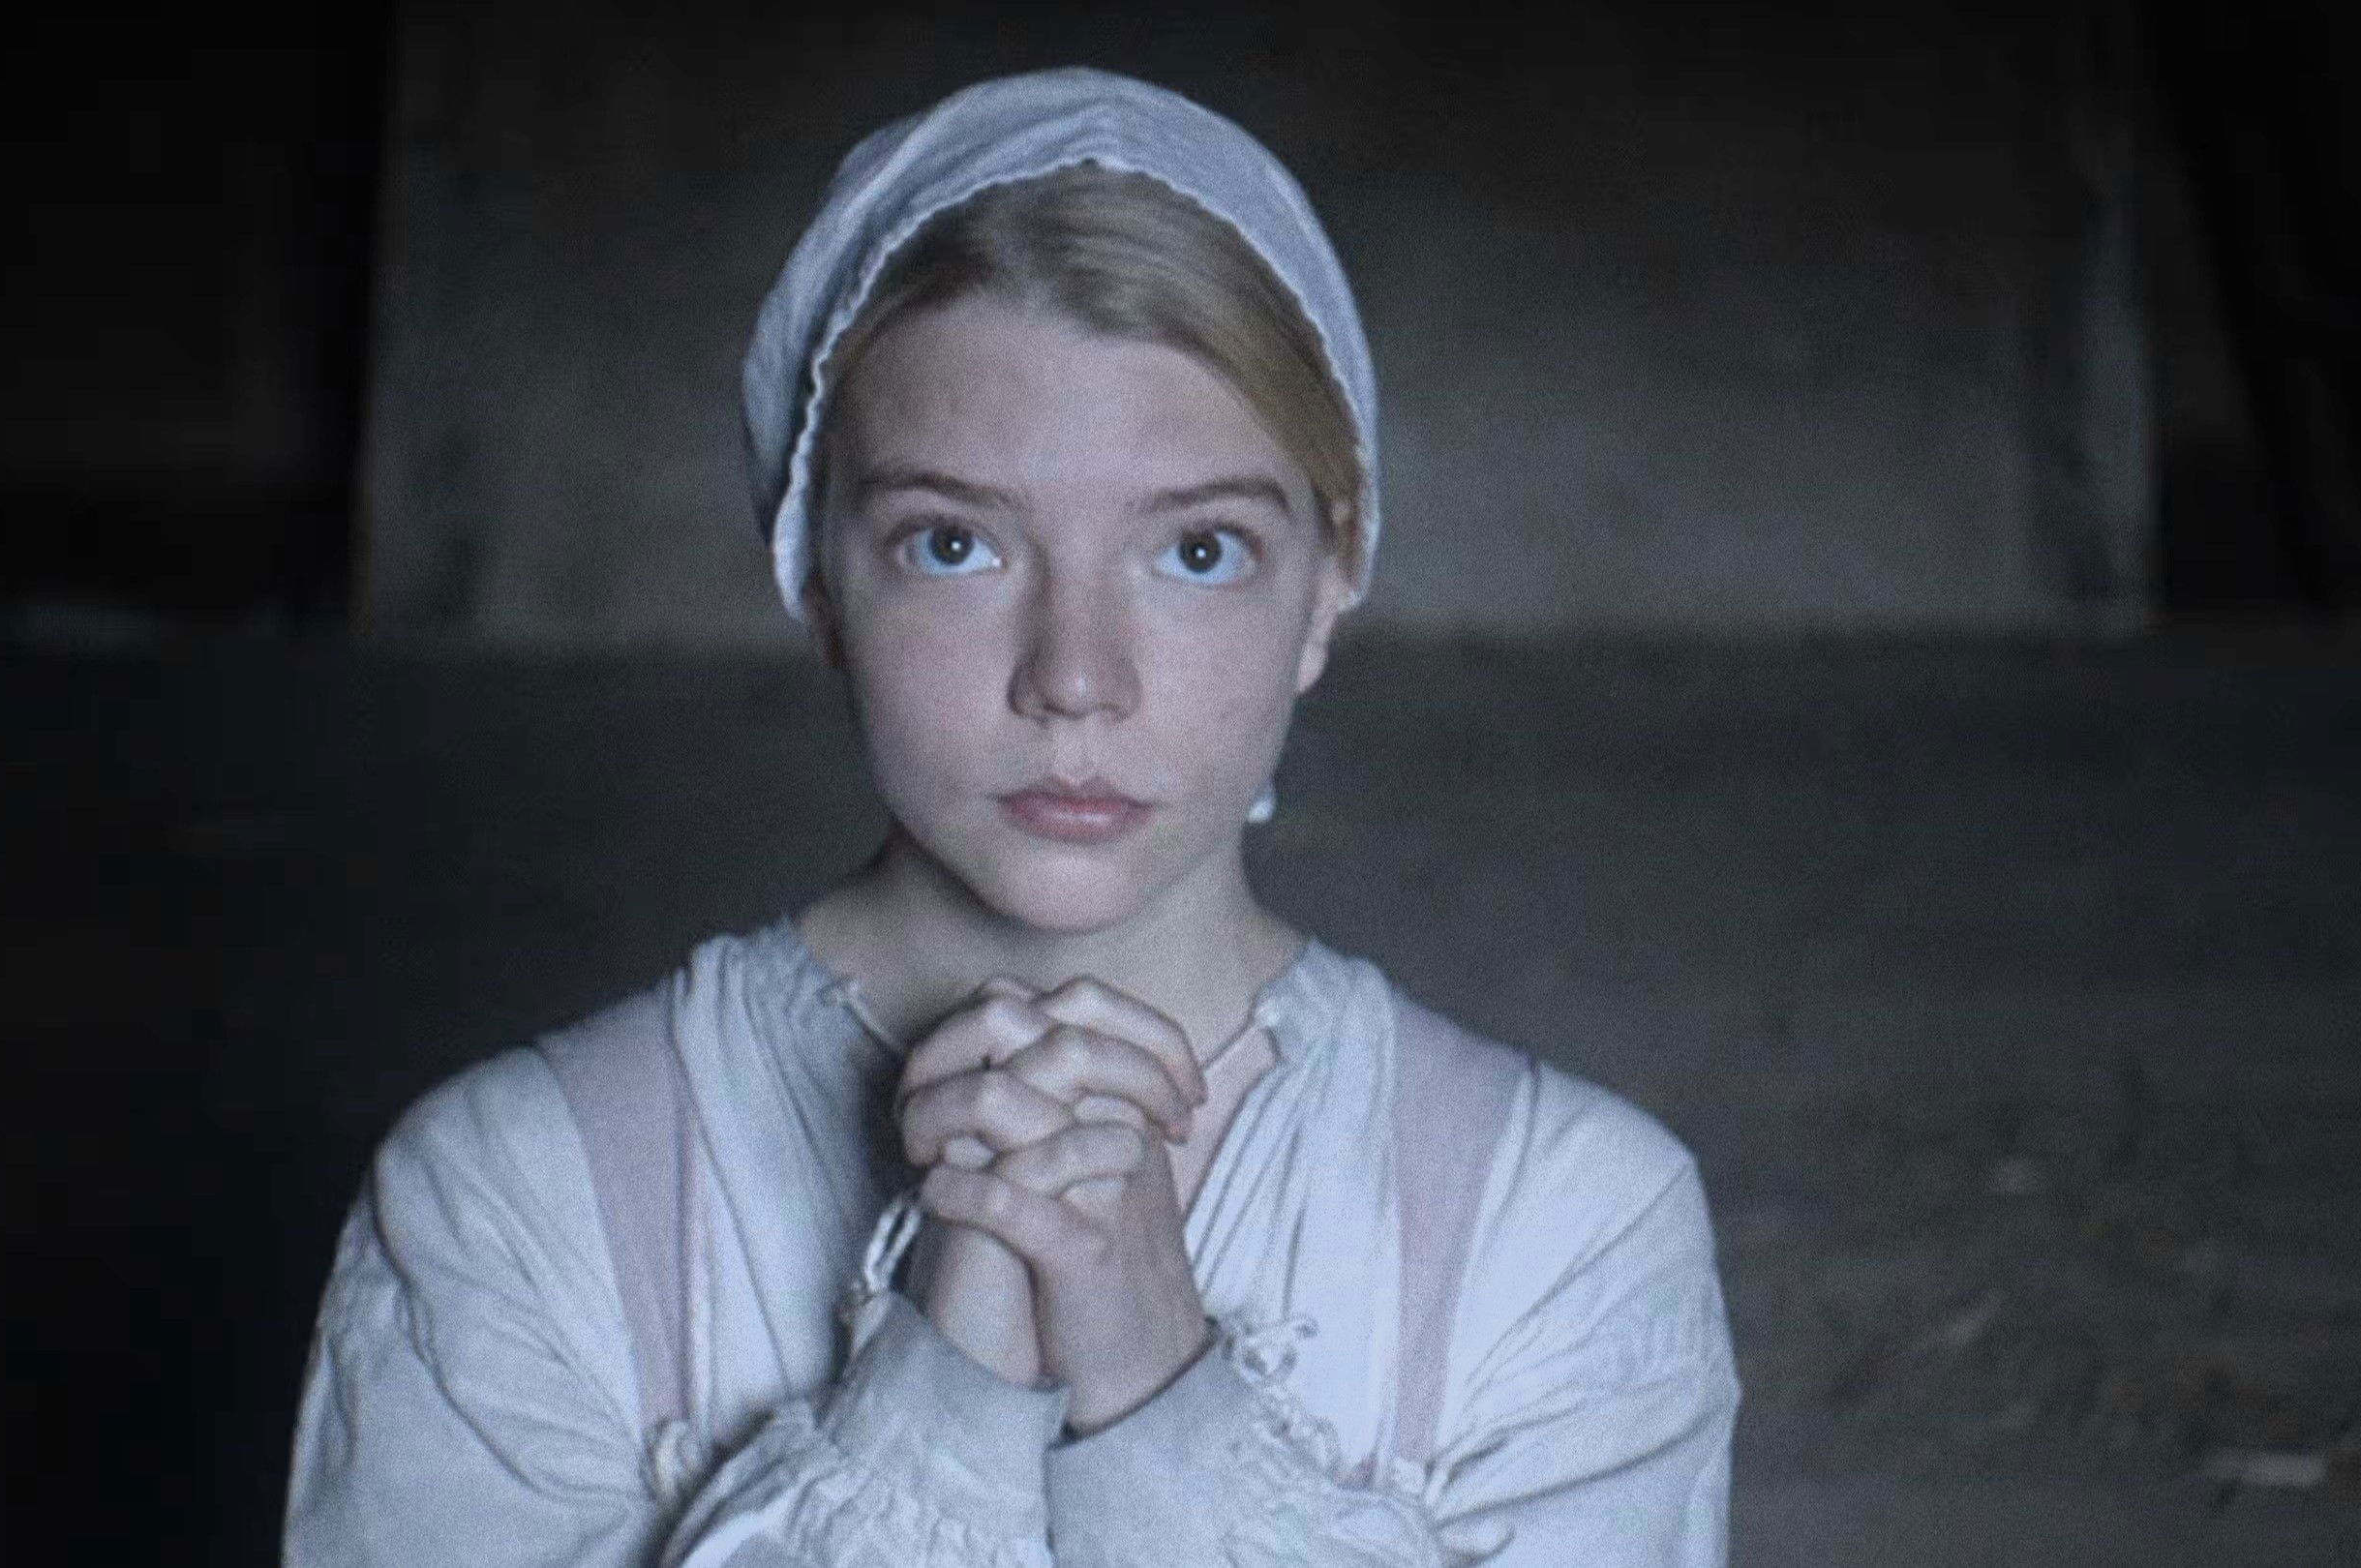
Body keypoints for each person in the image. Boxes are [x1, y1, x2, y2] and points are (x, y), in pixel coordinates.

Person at [284, 66, 1737, 1567]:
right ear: (816, 572)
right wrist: (942, 1386)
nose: (1076, 678)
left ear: (1331, 580)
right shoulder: (510, 1200)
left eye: (1199, 551)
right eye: (955, 543)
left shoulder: (1569, 1227)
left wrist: (1159, 1380)